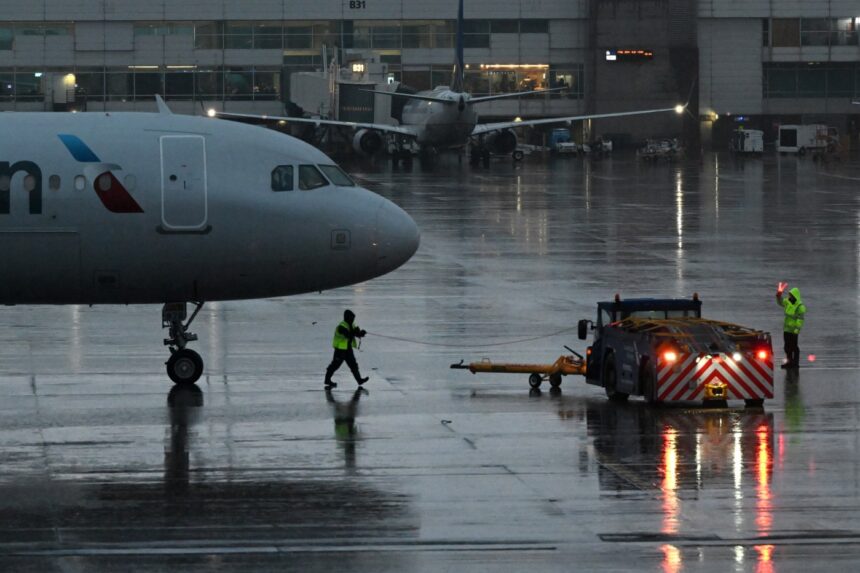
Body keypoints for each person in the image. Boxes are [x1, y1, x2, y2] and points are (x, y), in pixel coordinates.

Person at [324, 309, 369, 387]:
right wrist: (356, 333)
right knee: (335, 365)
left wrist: (361, 333)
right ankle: (327, 380)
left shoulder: (352, 324)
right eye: (351, 318)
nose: (353, 320)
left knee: (353, 364)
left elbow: (356, 333)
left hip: (348, 349)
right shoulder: (341, 326)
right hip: (340, 349)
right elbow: (348, 334)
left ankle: (359, 380)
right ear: (347, 318)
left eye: (353, 318)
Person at [776, 284, 806, 369]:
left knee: (794, 347)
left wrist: (797, 329)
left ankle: (795, 363)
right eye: (789, 295)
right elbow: (780, 302)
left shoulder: (800, 307)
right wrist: (779, 294)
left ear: (795, 296)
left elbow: (800, 319)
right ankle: (789, 362)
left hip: (794, 330)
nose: (789, 296)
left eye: (791, 295)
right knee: (787, 346)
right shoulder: (788, 302)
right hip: (787, 329)